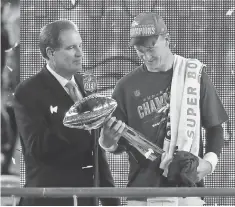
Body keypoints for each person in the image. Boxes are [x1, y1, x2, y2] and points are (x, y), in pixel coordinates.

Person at [99, 12, 229, 206]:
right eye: (140, 49)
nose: (146, 55)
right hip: (141, 193)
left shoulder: (192, 74)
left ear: (167, 39)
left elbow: (216, 127)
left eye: (151, 47)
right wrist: (107, 143)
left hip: (187, 190)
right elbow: (120, 144)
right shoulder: (125, 86)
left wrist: (209, 164)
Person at [13, 19, 119, 206]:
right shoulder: (28, 91)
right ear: (50, 53)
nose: (80, 54)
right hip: (49, 200)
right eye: (71, 48)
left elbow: (96, 154)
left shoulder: (86, 86)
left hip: (86, 200)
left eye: (80, 46)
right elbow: (38, 148)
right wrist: (83, 121)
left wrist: (112, 201)